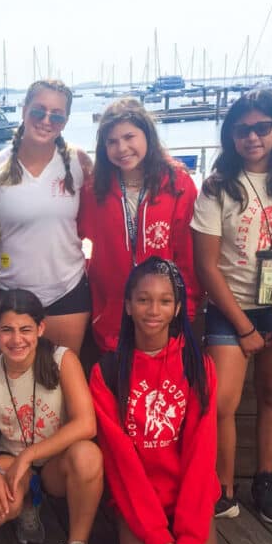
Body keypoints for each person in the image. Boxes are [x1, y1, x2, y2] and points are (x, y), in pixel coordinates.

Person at [191, 90, 272, 524]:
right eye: (241, 129)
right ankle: (222, 488)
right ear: (230, 134)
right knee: (222, 404)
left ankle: (265, 482)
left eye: (261, 128)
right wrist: (243, 326)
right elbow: (206, 265)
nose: (251, 137)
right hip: (231, 311)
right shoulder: (216, 188)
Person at [89, 257, 218, 544]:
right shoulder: (109, 372)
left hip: (188, 498)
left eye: (164, 300)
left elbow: (202, 453)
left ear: (178, 308)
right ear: (128, 306)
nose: (153, 310)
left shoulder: (198, 366)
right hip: (139, 502)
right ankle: (130, 538)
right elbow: (121, 462)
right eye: (143, 300)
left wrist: (190, 534)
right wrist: (156, 535)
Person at [0, 288, 102, 544]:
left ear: (40, 328)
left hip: (57, 462)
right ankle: (29, 503)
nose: (17, 339)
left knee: (88, 456)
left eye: (26, 329)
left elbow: (86, 423)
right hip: (13, 461)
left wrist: (29, 455)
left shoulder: (62, 360)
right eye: (7, 330)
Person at [0, 79, 93, 355]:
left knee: (63, 382)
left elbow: (98, 221)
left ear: (65, 121)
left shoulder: (79, 163)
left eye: (57, 115)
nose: (46, 120)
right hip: (9, 295)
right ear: (24, 109)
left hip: (68, 292)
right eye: (39, 111)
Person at [79, 97, 201, 354]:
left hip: (164, 316)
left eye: (129, 137)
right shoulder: (93, 190)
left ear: (147, 134)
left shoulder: (177, 183)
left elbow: (188, 255)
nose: (121, 148)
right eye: (112, 142)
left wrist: (186, 312)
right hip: (111, 321)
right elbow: (75, 241)